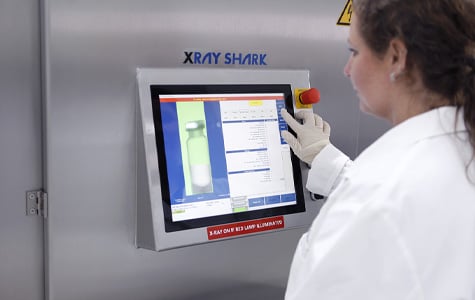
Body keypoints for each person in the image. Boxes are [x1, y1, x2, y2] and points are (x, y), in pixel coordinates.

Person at [280, 0, 475, 299]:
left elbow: (382, 204)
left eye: (354, 52)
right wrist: (324, 158)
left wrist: (358, 190)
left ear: (396, 57)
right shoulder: (460, 147)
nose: (347, 70)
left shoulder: (375, 196)